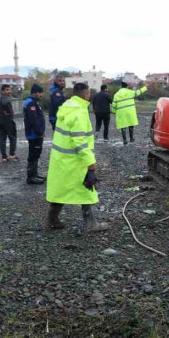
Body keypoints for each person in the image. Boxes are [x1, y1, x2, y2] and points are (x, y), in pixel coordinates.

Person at [45, 82, 106, 232]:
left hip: (61, 159)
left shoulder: (67, 107)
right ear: (86, 95)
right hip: (75, 160)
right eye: (89, 94)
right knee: (86, 189)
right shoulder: (79, 112)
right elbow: (79, 140)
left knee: (60, 188)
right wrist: (90, 161)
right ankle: (91, 224)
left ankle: (52, 219)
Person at [23, 84, 46, 184]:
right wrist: (40, 132)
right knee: (33, 154)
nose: (41, 95)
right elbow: (34, 120)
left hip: (34, 133)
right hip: (34, 134)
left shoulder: (33, 102)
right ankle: (31, 177)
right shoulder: (31, 103)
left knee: (35, 154)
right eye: (40, 93)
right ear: (36, 92)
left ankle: (34, 174)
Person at [0, 84, 18, 161]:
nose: (9, 91)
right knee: (12, 137)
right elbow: (4, 103)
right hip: (7, 120)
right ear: (2, 91)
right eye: (7, 90)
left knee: (2, 138)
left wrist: (0, 112)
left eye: (9, 90)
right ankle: (12, 155)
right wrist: (8, 112)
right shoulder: (6, 98)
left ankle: (4, 156)